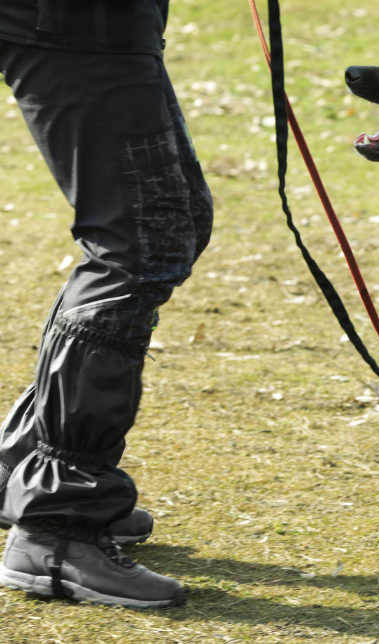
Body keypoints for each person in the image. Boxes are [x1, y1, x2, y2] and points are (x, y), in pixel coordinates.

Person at [0, 0, 212, 608]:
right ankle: (59, 525)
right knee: (141, 240)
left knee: (171, 226)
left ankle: (26, 471)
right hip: (71, 18)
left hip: (100, 21)